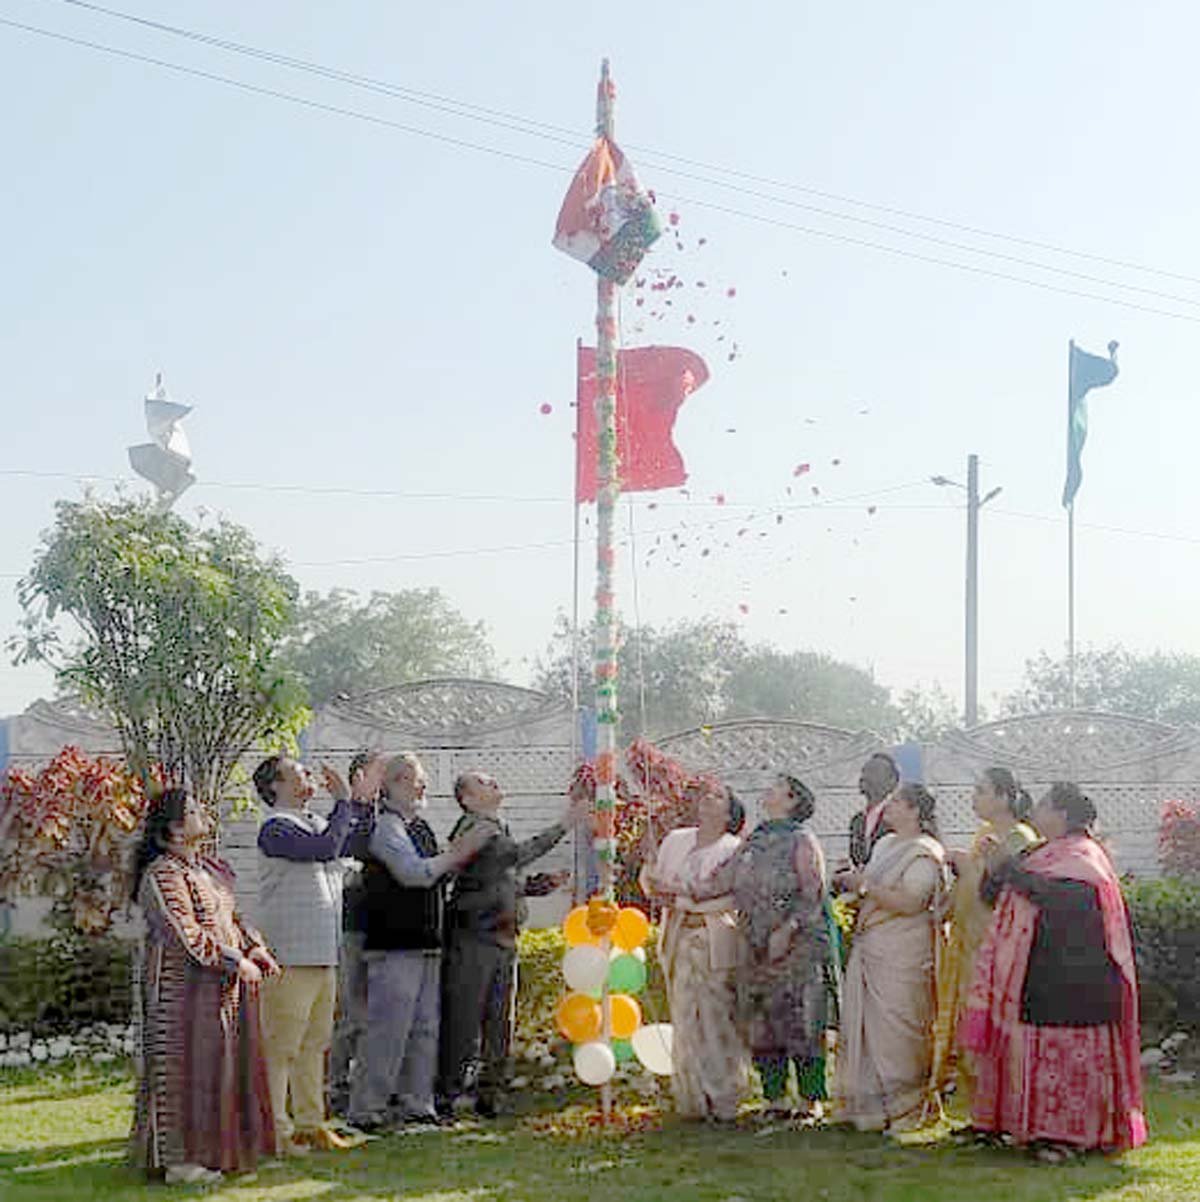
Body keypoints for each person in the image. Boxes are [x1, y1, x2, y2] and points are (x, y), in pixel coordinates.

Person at [961, 783, 1146, 1162]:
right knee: (1033, 1051)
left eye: (1043, 805)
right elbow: (997, 895)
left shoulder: (1085, 856)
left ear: (1061, 815)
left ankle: (1070, 1136)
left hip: (1076, 980)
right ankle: (1031, 1129)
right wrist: (996, 869)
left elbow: (1063, 903)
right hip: (1034, 975)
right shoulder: (1038, 853)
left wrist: (1010, 869)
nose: (1036, 810)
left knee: (1068, 1057)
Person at [130, 789, 278, 1186]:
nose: (203, 814)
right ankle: (179, 1163)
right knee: (184, 1071)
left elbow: (234, 916)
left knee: (219, 1071)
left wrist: (256, 948)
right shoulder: (162, 874)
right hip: (179, 994)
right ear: (174, 830)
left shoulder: (208, 870)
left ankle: (219, 1153)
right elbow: (184, 933)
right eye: (193, 811)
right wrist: (235, 961)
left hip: (219, 989)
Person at [348, 754, 487, 1131]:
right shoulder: (386, 828)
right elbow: (413, 874)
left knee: (425, 1027)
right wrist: (457, 853)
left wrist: (457, 858)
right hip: (393, 943)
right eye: (410, 779)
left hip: (427, 939)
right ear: (389, 787)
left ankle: (417, 1105)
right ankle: (367, 1109)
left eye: (421, 778)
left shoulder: (422, 827)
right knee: (388, 1028)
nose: (420, 785)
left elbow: (438, 874)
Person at [436, 771, 584, 1119]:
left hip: (502, 936)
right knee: (465, 1020)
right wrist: (565, 823)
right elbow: (517, 855)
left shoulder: (497, 827)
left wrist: (539, 885)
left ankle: (490, 1094)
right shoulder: (474, 829)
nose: (496, 785)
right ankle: (448, 1095)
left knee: (499, 1020)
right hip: (475, 938)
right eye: (484, 783)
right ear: (467, 799)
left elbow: (504, 879)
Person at [253, 753, 381, 1154]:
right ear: (275, 786)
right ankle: (276, 1130)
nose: (308, 777)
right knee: (282, 1046)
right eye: (298, 773)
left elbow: (354, 842)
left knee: (315, 1043)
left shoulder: (316, 822)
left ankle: (311, 1123)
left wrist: (361, 803)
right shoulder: (275, 828)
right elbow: (325, 849)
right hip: (288, 954)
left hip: (322, 952)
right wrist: (344, 802)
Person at [834, 783, 948, 1134]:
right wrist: (851, 887)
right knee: (866, 1027)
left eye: (898, 803)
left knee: (899, 1029)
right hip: (872, 944)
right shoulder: (884, 844)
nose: (889, 808)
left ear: (915, 811)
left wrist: (864, 887)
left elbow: (912, 902)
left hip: (904, 950)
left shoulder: (926, 852)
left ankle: (908, 1108)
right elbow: (873, 888)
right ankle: (869, 1109)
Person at [931, 767, 1039, 1110]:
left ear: (1004, 797)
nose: (974, 797)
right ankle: (978, 1114)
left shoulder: (1021, 838)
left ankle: (1003, 1112)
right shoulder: (985, 834)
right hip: (967, 946)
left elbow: (1009, 890)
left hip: (997, 950)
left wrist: (969, 867)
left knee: (994, 1029)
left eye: (981, 791)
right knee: (968, 1028)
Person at [644, 778, 749, 1123]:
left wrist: (681, 893)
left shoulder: (735, 849)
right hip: (677, 934)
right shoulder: (676, 841)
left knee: (716, 1017)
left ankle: (723, 1097)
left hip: (712, 937)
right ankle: (690, 1098)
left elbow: (731, 895)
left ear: (729, 810)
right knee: (685, 1016)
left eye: (718, 796)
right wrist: (656, 884)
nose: (707, 800)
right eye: (706, 795)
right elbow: (655, 880)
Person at [733, 775, 834, 1117]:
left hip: (797, 948)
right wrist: (675, 886)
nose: (767, 789)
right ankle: (774, 1098)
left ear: (791, 800)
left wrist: (788, 930)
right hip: (756, 945)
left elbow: (814, 894)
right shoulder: (754, 839)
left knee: (802, 1020)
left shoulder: (802, 840)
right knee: (762, 1022)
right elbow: (724, 877)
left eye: (776, 786)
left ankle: (810, 1100)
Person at [329, 751, 378, 1119]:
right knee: (352, 1012)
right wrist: (354, 804)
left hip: (386, 930)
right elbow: (340, 856)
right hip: (353, 927)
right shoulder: (347, 817)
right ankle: (337, 1086)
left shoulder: (389, 816)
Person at [848, 752, 900, 869]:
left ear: (892, 780)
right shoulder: (857, 821)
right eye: (864, 771)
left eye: (873, 772)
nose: (864, 777)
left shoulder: (900, 818)